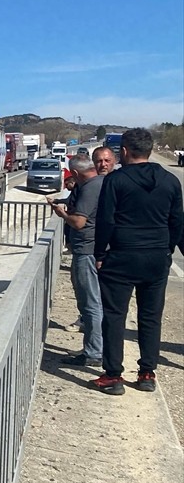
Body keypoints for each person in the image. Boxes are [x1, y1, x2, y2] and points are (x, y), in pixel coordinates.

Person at [91, 128, 184, 395]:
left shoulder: (116, 181)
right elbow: (177, 222)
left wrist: (99, 255)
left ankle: (113, 376)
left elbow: (106, 221)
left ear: (125, 151)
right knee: (151, 317)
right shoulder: (169, 181)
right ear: (150, 150)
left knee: (114, 316)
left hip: (122, 256)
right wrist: (166, 250)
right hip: (156, 258)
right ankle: (146, 373)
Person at [48, 153, 103, 368]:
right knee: (93, 302)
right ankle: (96, 349)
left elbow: (79, 222)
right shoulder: (102, 182)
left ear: (77, 173)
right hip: (94, 249)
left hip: (86, 250)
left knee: (90, 303)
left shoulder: (90, 188)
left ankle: (93, 352)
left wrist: (61, 213)